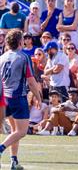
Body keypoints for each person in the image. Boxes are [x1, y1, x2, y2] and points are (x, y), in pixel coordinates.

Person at [0, 29, 42, 170]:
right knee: (22, 131)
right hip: (17, 97)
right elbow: (31, 81)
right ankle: (0, 149)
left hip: (4, 97)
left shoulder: (2, 57)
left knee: (14, 131)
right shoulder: (23, 57)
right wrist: (38, 97)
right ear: (20, 41)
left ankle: (14, 161)